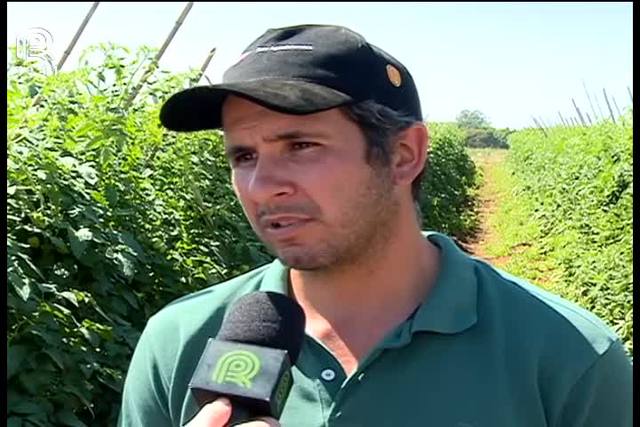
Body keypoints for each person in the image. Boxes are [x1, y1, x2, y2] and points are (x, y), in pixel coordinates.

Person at [118, 24, 632, 427]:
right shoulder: (179, 341)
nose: (260, 185)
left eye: (301, 146)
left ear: (404, 155)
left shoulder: (567, 359)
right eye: (244, 155)